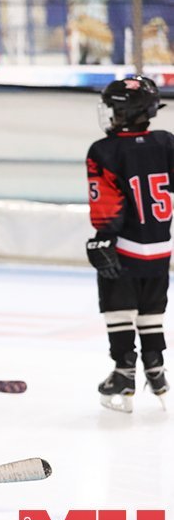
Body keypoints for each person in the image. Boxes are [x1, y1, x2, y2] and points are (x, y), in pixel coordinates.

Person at [86, 76, 173, 413]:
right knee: (152, 311)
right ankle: (155, 368)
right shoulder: (167, 142)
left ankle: (124, 372)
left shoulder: (104, 150)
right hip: (160, 247)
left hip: (124, 245)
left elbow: (106, 200)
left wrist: (103, 237)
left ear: (124, 110)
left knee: (118, 308)